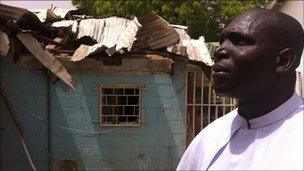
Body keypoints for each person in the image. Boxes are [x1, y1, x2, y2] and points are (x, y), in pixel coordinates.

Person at [177, 8, 304, 170]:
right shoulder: (209, 139)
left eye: (240, 41)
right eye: (222, 41)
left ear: (283, 61)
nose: (220, 51)